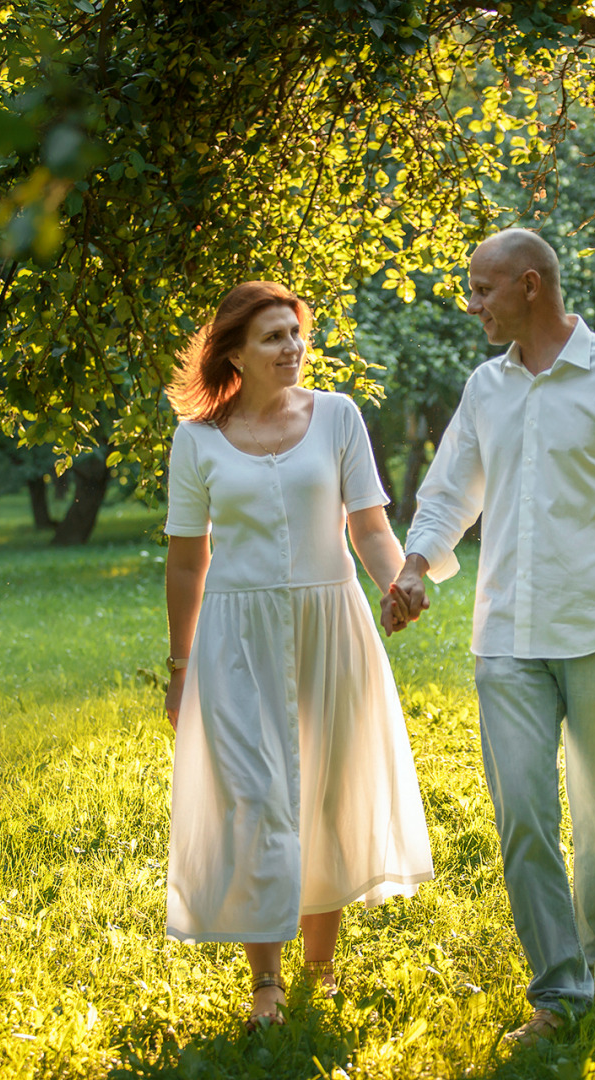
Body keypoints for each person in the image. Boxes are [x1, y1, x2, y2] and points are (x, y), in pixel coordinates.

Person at [384, 229, 595, 1045]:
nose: (472, 305)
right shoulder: (486, 388)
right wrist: (416, 564)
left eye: (483, 290)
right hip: (508, 635)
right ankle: (559, 993)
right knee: (523, 812)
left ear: (531, 285)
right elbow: (451, 488)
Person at [161, 280, 433, 1029]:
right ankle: (265, 986)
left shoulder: (338, 417)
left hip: (331, 621)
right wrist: (181, 669)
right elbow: (187, 562)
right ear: (236, 355)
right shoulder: (197, 439)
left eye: (297, 332)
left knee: (326, 792)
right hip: (235, 637)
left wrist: (395, 583)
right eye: (274, 337)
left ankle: (321, 969)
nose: (293, 347)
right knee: (253, 801)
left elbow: (370, 526)